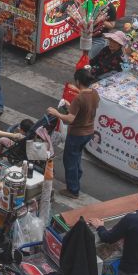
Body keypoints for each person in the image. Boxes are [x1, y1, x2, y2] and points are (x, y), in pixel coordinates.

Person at [48, 68, 99, 198]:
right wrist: (68, 106)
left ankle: (73, 190)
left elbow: (71, 118)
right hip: (89, 131)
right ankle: (76, 176)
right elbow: (83, 111)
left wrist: (57, 113)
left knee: (69, 160)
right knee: (76, 157)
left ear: (77, 81)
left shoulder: (79, 97)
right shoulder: (94, 94)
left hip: (77, 133)